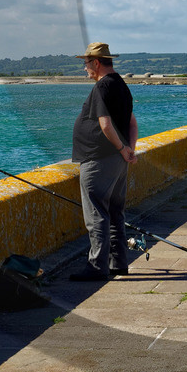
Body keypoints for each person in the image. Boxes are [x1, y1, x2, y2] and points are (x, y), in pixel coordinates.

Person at [68, 42, 138, 282]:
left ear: (96, 63)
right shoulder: (121, 85)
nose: (85, 68)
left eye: (86, 64)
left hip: (98, 159)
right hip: (117, 160)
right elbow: (132, 123)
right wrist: (129, 150)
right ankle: (117, 263)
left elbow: (105, 124)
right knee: (116, 212)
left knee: (96, 212)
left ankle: (97, 267)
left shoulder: (102, 87)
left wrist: (121, 148)